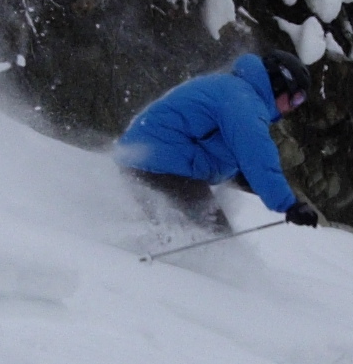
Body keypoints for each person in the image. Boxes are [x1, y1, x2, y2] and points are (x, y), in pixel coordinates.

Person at [114, 52, 324, 235]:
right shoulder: (245, 102)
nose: (294, 107)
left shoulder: (234, 90)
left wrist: (240, 174)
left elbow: (211, 141)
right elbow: (257, 155)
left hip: (146, 162)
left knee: (193, 230)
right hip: (162, 166)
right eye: (296, 98)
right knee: (216, 240)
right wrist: (289, 205)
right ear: (279, 83)